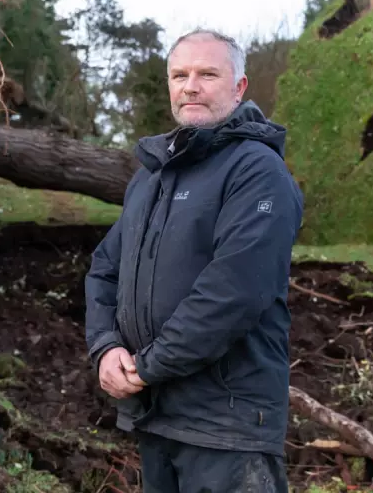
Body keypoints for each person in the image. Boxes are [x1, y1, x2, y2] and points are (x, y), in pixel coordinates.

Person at [84, 29, 304, 492]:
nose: (190, 86)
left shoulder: (257, 172)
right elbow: (106, 269)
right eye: (179, 75)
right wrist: (105, 347)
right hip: (157, 415)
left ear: (239, 87)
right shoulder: (150, 178)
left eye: (208, 74)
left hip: (228, 425)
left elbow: (233, 293)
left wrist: (147, 366)